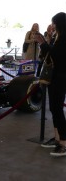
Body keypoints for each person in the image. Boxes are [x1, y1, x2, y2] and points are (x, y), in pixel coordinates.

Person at [37, 12, 66, 157]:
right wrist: (46, 43)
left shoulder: (64, 38)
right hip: (54, 77)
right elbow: (48, 55)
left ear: (59, 23)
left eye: (54, 23)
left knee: (58, 109)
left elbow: (57, 55)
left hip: (61, 77)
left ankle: (64, 143)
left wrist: (44, 44)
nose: (52, 25)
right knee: (54, 108)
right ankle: (57, 138)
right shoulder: (57, 37)